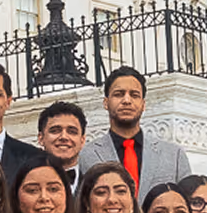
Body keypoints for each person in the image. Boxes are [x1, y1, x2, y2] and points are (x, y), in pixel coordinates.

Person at [73, 67, 192, 195]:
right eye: (119, 94)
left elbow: (187, 204)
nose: (127, 100)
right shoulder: (86, 155)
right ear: (106, 103)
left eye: (134, 95)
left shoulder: (174, 155)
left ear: (143, 104)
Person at [35, 103, 87, 183]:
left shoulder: (94, 184)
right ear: (41, 138)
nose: (64, 137)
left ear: (82, 140)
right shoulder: (26, 183)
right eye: (55, 131)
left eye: (72, 132)